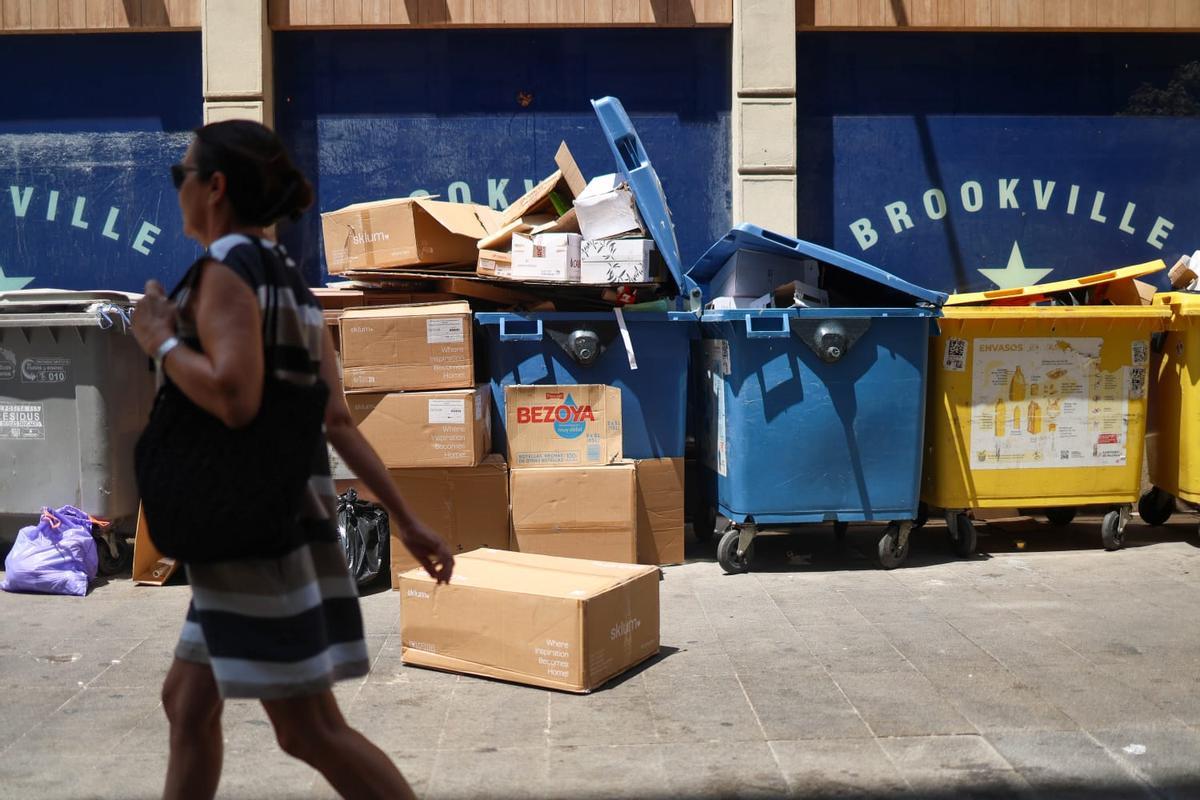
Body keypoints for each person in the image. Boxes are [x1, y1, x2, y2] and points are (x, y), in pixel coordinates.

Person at [132, 119, 454, 800]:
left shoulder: (226, 275)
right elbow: (336, 419)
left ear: (214, 188)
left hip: (255, 538)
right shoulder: (293, 288)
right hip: (270, 528)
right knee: (187, 703)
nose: (179, 191)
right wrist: (406, 520)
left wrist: (160, 341)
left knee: (308, 730)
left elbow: (233, 396)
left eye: (180, 177)